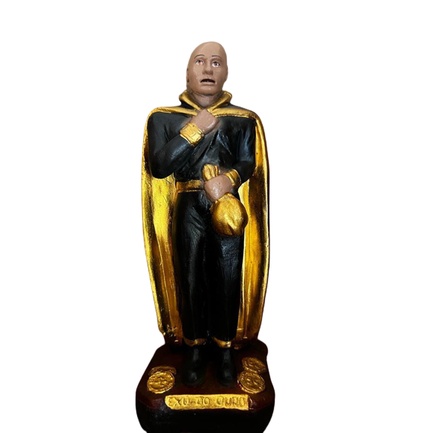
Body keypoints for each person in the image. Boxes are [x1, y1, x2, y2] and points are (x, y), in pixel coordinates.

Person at [141, 42, 269, 387]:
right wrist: (194, 129)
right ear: (187, 72)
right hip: (188, 204)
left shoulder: (242, 119)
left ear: (226, 72)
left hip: (227, 207)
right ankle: (195, 347)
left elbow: (248, 161)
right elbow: (160, 166)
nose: (208, 69)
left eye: (216, 63)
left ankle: (225, 348)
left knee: (227, 276)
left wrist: (229, 179)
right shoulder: (163, 118)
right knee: (190, 276)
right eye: (200, 61)